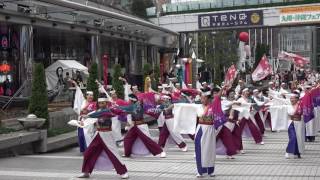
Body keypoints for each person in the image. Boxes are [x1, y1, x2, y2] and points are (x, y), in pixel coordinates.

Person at [78, 95, 129, 179]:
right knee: (88, 152)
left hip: (107, 135)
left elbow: (118, 112)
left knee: (113, 154)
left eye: (103, 103)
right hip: (98, 134)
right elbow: (90, 120)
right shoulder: (97, 111)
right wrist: (82, 122)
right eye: (100, 103)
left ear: (106, 103)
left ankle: (123, 172)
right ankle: (86, 171)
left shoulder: (110, 111)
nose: (101, 104)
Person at [121, 94, 166, 158]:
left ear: (132, 100)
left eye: (130, 100)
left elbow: (149, 110)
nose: (129, 101)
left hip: (141, 126)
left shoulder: (140, 106)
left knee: (148, 140)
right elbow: (128, 115)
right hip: (134, 127)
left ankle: (161, 152)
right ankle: (127, 153)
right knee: (127, 139)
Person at [285, 92, 304, 159]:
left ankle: (297, 153)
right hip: (291, 124)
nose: (291, 100)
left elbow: (304, 113)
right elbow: (291, 113)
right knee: (293, 138)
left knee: (298, 139)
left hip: (299, 123)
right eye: (291, 98)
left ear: (296, 99)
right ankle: (288, 152)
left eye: (293, 98)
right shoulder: (289, 106)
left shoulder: (300, 105)